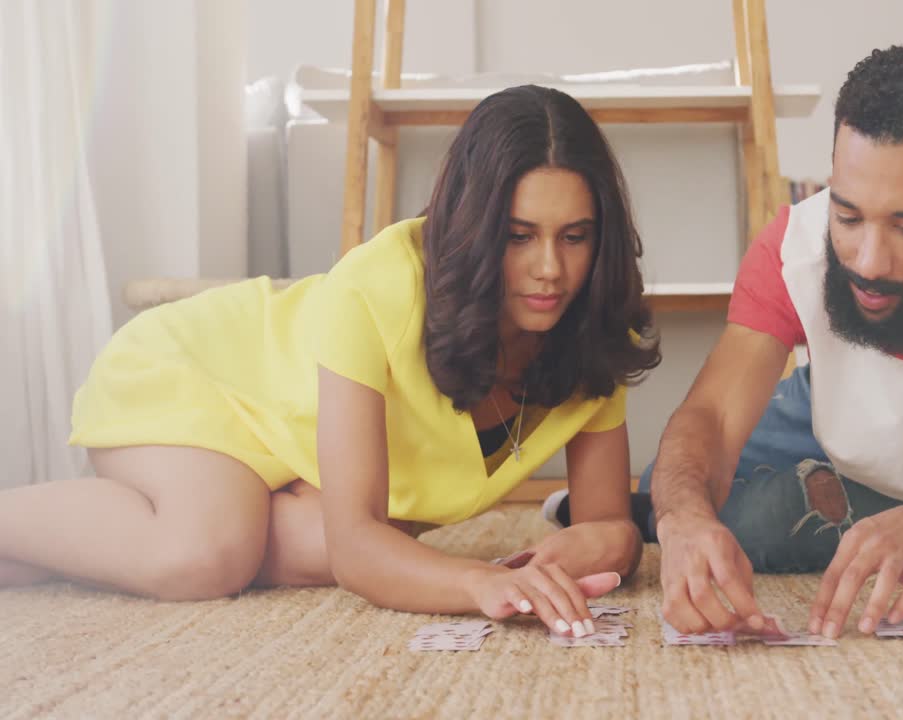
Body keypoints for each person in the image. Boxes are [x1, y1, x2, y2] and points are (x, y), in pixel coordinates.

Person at [0, 85, 660, 639]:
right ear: (475, 228)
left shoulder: (592, 323)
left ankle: (45, 555)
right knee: (209, 554)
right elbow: (359, 548)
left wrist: (610, 543)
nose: (551, 269)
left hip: (295, 449)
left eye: (575, 237)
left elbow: (606, 520)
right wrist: (479, 581)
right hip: (195, 375)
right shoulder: (378, 287)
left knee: (344, 546)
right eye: (519, 238)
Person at [550, 45, 903, 639]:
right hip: (827, 407)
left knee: (766, 521)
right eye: (848, 216)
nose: (868, 259)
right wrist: (684, 520)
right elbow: (709, 416)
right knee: (671, 477)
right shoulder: (794, 244)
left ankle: (865, 510)